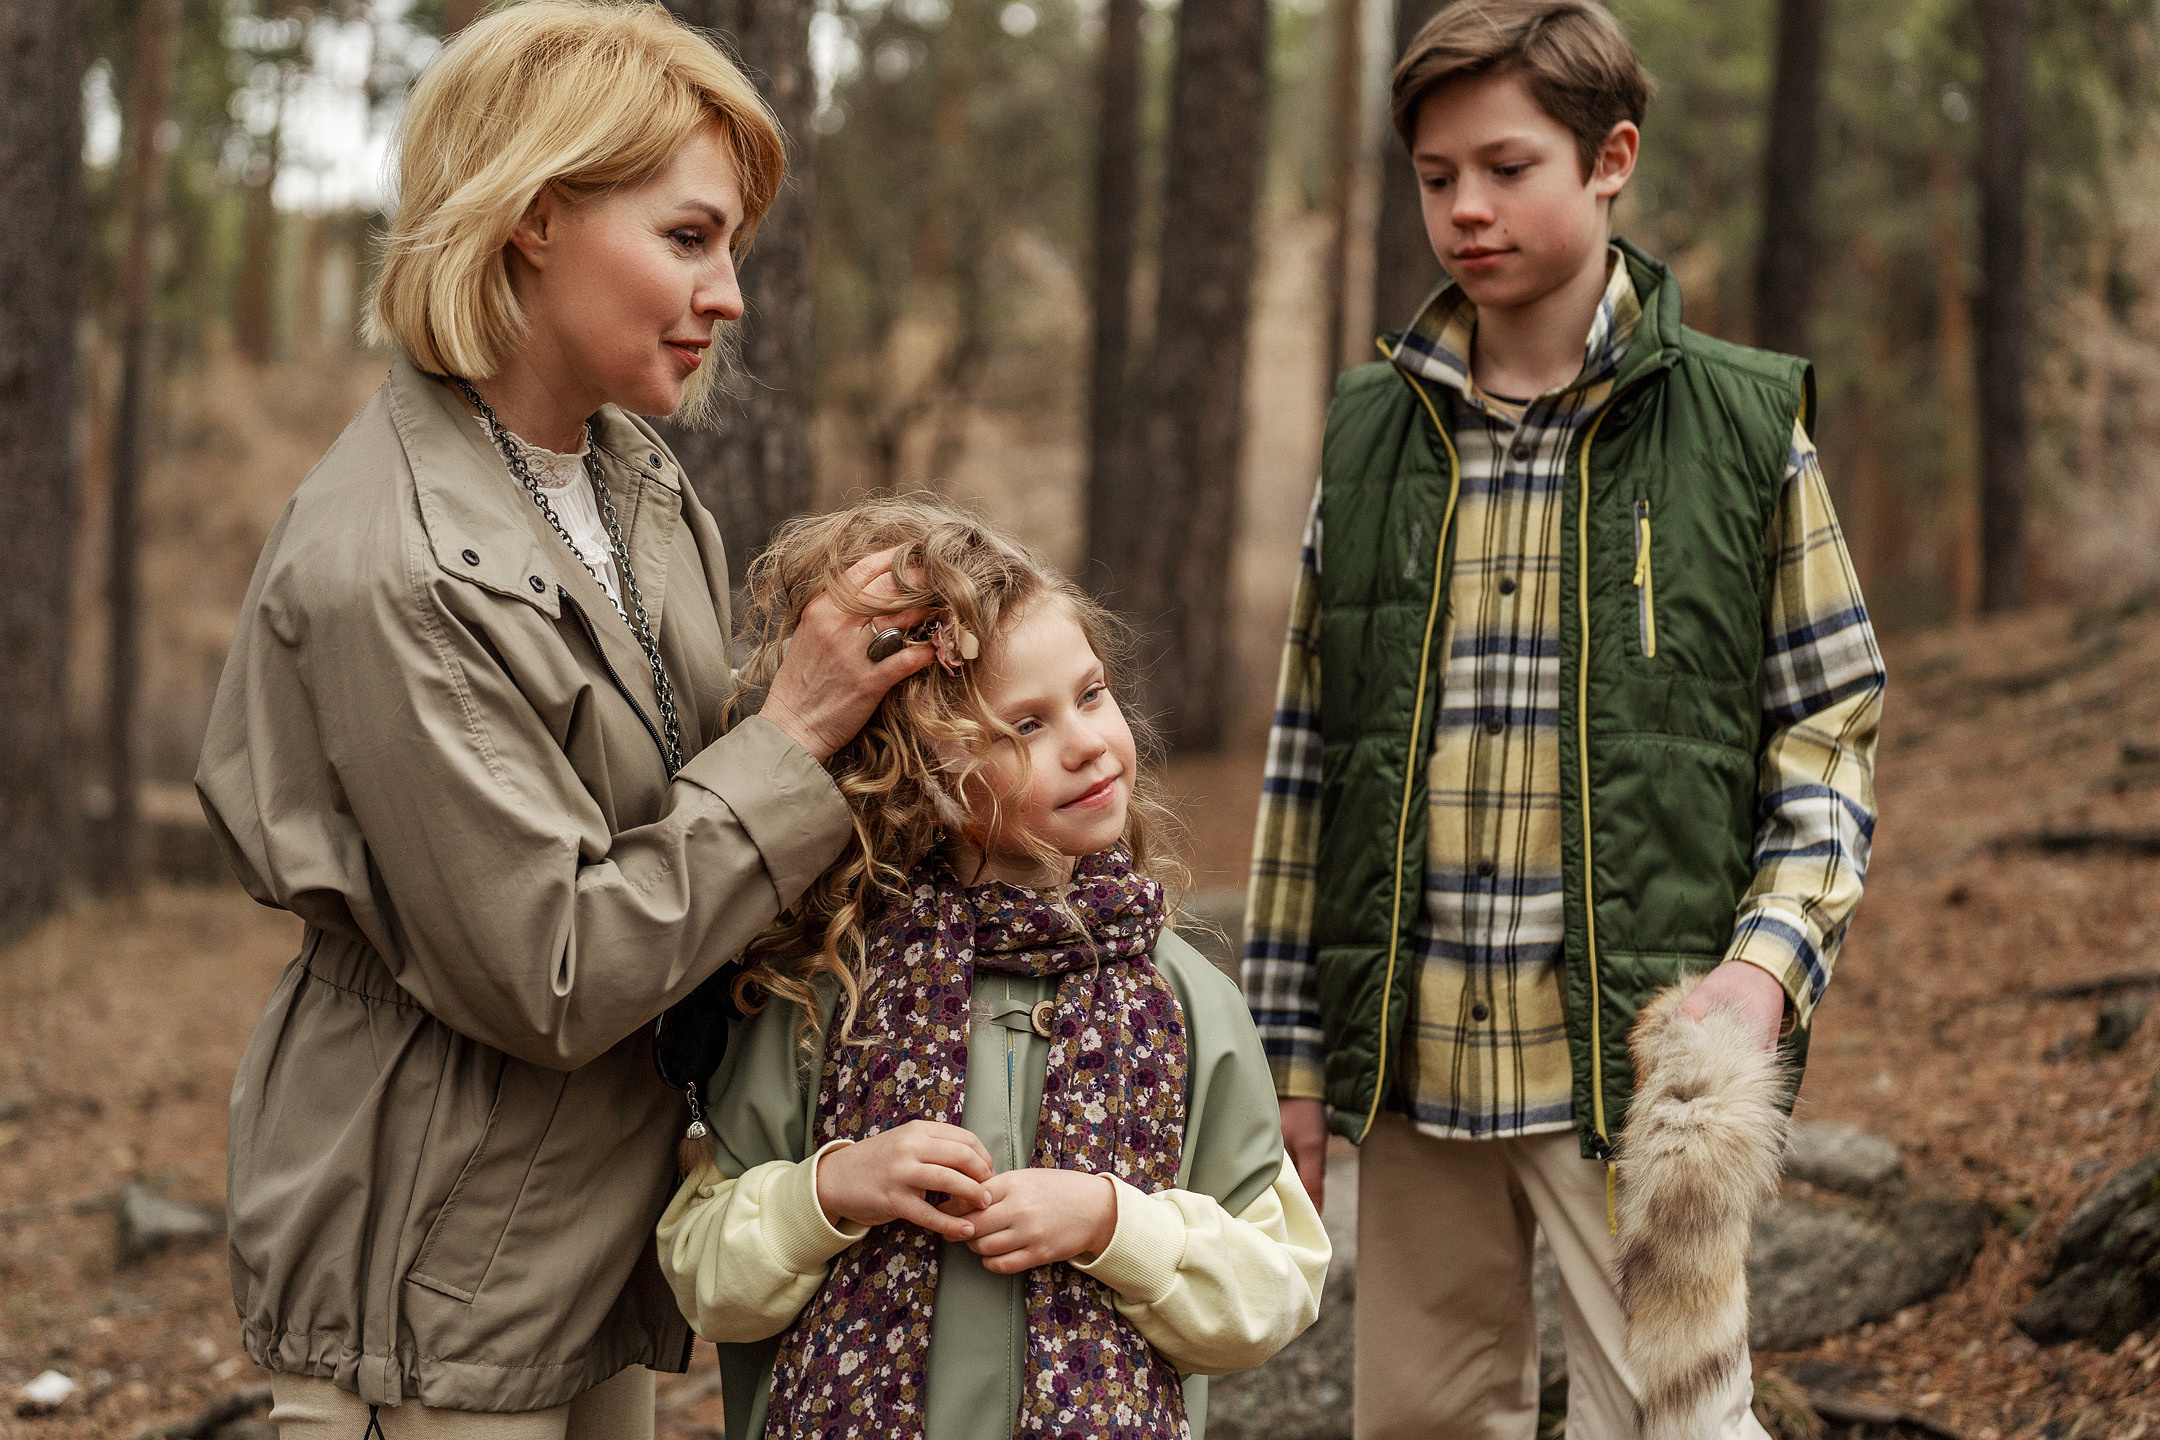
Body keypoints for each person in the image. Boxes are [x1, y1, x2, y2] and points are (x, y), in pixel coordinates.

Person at [194, 5, 940, 1434]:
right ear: (534, 217)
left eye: (733, 247)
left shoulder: (627, 479)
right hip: (431, 1258)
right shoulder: (397, 566)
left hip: (587, 1229)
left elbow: (674, 803)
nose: (729, 295)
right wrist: (794, 738)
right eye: (688, 237)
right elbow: (554, 969)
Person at [1241, 1, 1885, 1436]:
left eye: (1507, 166)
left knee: (1671, 1423)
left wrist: (1767, 970)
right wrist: (1289, 1057)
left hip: (1638, 1071)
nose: (1465, 208)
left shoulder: (1741, 426)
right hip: (1412, 1067)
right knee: (1419, 1424)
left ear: (1612, 160)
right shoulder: (1370, 432)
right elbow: (1307, 767)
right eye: (1435, 176)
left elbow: (1830, 733)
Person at [655, 499, 1330, 1440]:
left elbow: (1279, 1281)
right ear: (921, 776)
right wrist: (830, 1191)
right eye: (1025, 726)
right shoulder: (830, 990)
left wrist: (1114, 1225)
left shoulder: (1185, 1003)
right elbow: (701, 1271)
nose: (1087, 741)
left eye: (1091, 695)